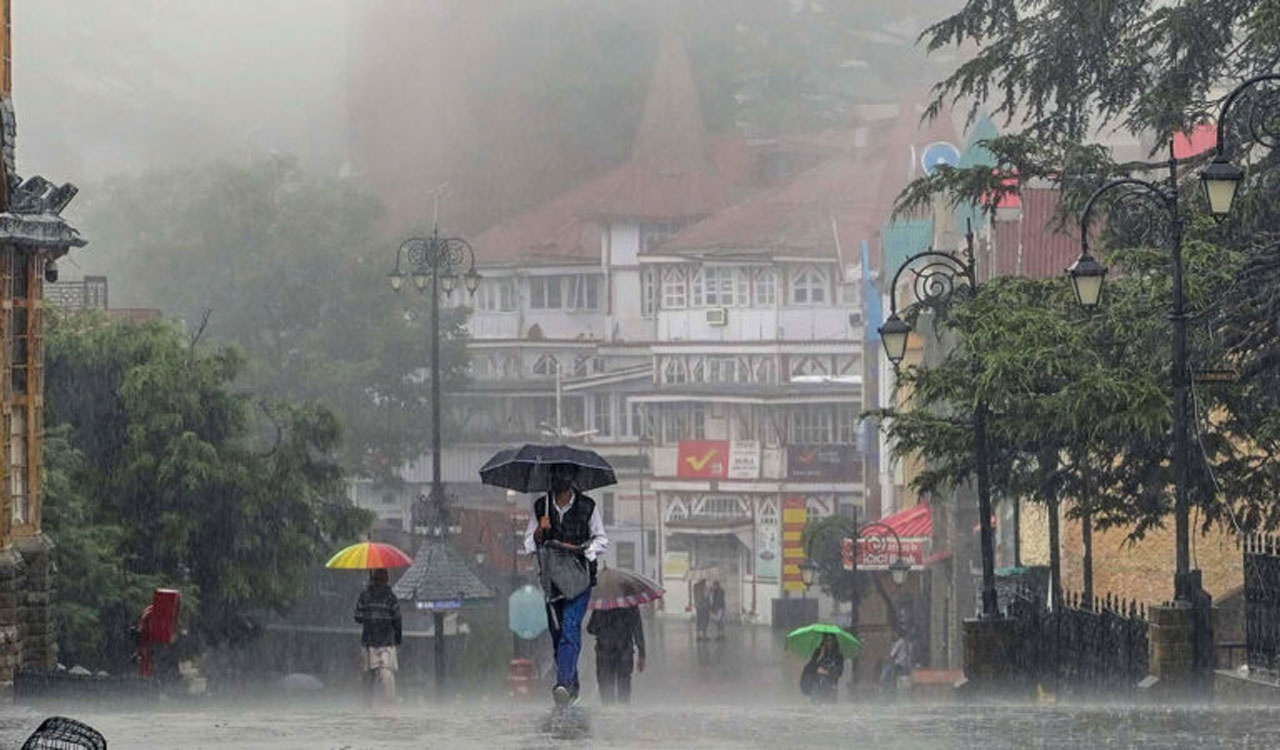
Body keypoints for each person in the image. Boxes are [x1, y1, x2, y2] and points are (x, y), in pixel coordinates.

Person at [524, 470, 608, 706]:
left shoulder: (587, 507)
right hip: (552, 582)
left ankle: (561, 683)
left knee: (570, 627)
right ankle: (572, 686)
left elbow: (601, 539)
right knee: (558, 634)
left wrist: (583, 552)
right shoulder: (542, 506)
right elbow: (530, 542)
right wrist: (541, 530)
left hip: (579, 580)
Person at [353, 568, 401, 706]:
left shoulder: (388, 597)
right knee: (372, 676)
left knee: (383, 675)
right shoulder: (369, 596)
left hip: (383, 642)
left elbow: (358, 617)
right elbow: (358, 617)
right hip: (371, 642)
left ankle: (385, 704)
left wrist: (396, 640)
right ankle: (369, 704)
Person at [587, 605, 645, 705]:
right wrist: (642, 653)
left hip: (604, 648)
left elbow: (591, 628)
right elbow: (637, 629)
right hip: (625, 648)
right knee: (624, 679)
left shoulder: (602, 604)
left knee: (605, 680)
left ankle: (608, 707)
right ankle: (623, 707)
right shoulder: (631, 604)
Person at [800, 633, 844, 703]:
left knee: (827, 709)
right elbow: (812, 664)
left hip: (829, 690)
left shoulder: (838, 656)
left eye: (830, 640)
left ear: (834, 641)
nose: (828, 643)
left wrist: (825, 672)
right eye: (826, 641)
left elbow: (839, 672)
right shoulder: (822, 656)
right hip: (817, 689)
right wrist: (819, 648)